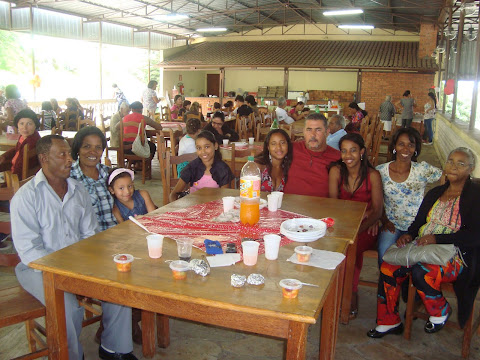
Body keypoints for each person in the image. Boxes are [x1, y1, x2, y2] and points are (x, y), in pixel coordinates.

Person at [12, 135, 137, 360]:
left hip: (79, 260)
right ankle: (71, 356)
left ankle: (113, 348)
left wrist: (85, 267)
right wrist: (67, 273)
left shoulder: (78, 189)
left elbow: (90, 234)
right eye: (62, 154)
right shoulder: (26, 197)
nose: (70, 159)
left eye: (69, 153)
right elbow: (29, 250)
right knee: (66, 306)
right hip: (37, 268)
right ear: (43, 159)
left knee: (119, 284)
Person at [368, 147, 480, 339]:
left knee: (423, 271)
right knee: (388, 267)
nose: (453, 167)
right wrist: (409, 235)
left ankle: (440, 309)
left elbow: (474, 236)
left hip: (455, 255)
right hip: (423, 248)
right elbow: (419, 222)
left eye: (461, 164)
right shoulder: (436, 193)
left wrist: (437, 238)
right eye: (450, 161)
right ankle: (389, 320)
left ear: (471, 169)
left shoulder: (475, 196)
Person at [329, 133, 383, 318]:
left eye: (353, 150)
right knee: (336, 246)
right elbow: (333, 205)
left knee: (351, 247)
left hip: (366, 227)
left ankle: (350, 294)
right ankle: (338, 291)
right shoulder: (336, 171)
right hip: (343, 224)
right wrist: (351, 221)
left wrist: (360, 227)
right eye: (343, 151)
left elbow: (377, 210)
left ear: (362, 152)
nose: (348, 156)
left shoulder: (372, 175)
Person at [376, 127, 442, 266]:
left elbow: (445, 177)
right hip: (391, 225)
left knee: (416, 262)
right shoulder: (381, 171)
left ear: (416, 149)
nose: (406, 149)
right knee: (385, 256)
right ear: (394, 146)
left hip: (417, 226)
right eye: (401, 144)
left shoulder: (422, 169)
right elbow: (376, 200)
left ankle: (406, 287)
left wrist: (438, 203)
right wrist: (384, 220)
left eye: (411, 145)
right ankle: (386, 286)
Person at [70, 126, 117, 232]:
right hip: (88, 241)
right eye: (87, 146)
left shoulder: (109, 174)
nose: (93, 152)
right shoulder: (69, 178)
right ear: (78, 149)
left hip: (117, 236)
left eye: (98, 147)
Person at [283, 113, 340, 197]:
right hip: (288, 205)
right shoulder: (291, 148)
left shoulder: (337, 157)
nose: (313, 135)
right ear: (304, 131)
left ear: (327, 132)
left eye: (318, 130)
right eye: (309, 129)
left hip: (319, 207)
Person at [169, 130, 234, 203]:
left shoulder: (223, 169)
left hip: (214, 208)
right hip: (193, 208)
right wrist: (175, 208)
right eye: (199, 148)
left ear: (215, 146)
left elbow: (224, 198)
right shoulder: (192, 167)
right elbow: (173, 194)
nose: (203, 151)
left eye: (207, 147)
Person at [0, 109, 41, 180]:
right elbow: (16, 149)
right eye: (21, 124)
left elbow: (20, 166)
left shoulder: (31, 142)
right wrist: (4, 156)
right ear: (17, 125)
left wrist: (12, 180)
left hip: (17, 176)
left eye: (29, 124)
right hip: (14, 168)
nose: (25, 128)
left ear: (35, 125)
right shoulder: (25, 137)